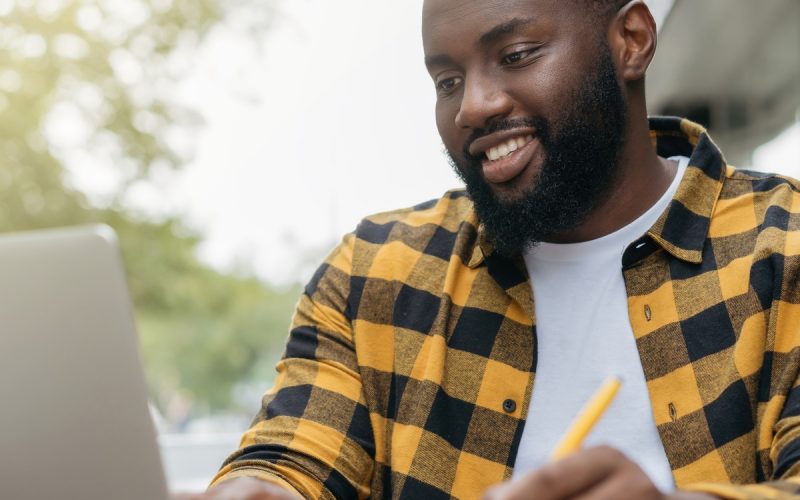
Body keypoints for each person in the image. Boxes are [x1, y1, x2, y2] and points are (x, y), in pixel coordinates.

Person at [178, 0, 800, 498]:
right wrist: (259, 487)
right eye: (447, 80)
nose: (473, 105)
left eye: (517, 54)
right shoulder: (375, 274)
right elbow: (294, 452)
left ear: (631, 40)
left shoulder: (786, 244)